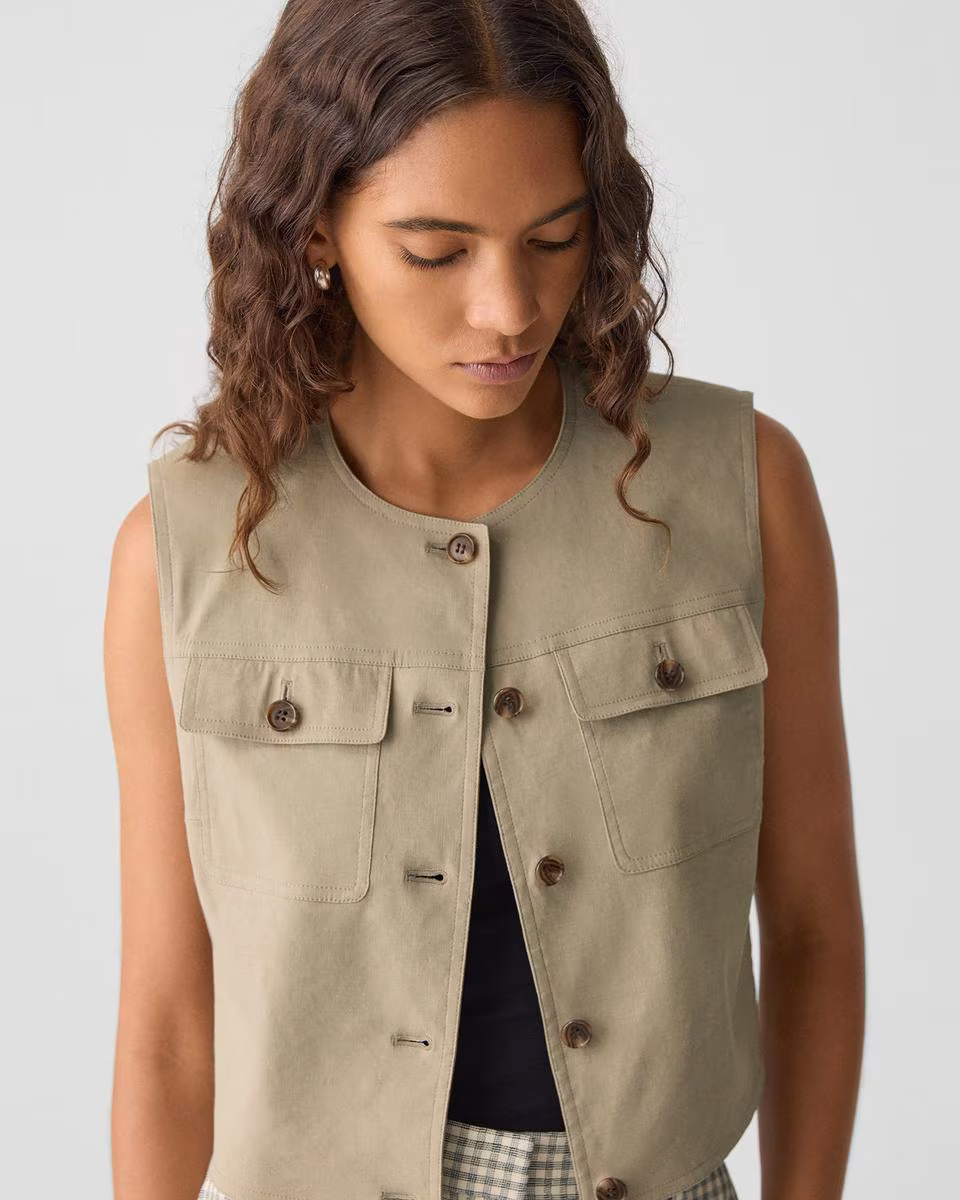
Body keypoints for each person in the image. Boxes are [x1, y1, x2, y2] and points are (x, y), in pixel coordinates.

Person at [103, 2, 865, 1198]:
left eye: (554, 238)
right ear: (315, 225)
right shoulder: (187, 554)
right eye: (436, 251)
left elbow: (813, 931)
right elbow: (167, 1022)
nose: (509, 309)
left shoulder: (740, 488)